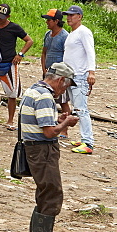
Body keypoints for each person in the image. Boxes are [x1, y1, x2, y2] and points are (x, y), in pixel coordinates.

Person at [19, 62, 79, 232]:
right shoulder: (45, 96)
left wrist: (57, 119)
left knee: (45, 191)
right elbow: (49, 132)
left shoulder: (34, 90)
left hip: (34, 148)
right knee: (52, 192)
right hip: (42, 150)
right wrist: (65, 123)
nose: (64, 91)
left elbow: (41, 122)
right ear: (61, 80)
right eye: (66, 86)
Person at [0, 3, 33, 130]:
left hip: (9, 62)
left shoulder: (14, 28)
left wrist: (20, 54)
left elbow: (29, 40)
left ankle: (10, 120)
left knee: (12, 93)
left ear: (8, 16)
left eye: (1, 17)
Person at [62, 5, 96, 154]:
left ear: (79, 16)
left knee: (82, 109)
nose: (69, 17)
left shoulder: (84, 32)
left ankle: (88, 142)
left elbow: (90, 52)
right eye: (67, 15)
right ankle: (83, 139)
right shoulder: (72, 33)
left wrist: (91, 72)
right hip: (71, 75)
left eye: (72, 15)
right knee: (77, 107)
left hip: (80, 75)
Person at [40, 8, 71, 137]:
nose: (47, 22)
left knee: (63, 102)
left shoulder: (65, 36)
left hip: (59, 75)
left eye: (49, 20)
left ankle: (65, 130)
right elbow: (44, 52)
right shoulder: (48, 35)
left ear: (56, 21)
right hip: (49, 73)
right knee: (49, 99)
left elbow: (68, 56)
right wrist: (43, 69)